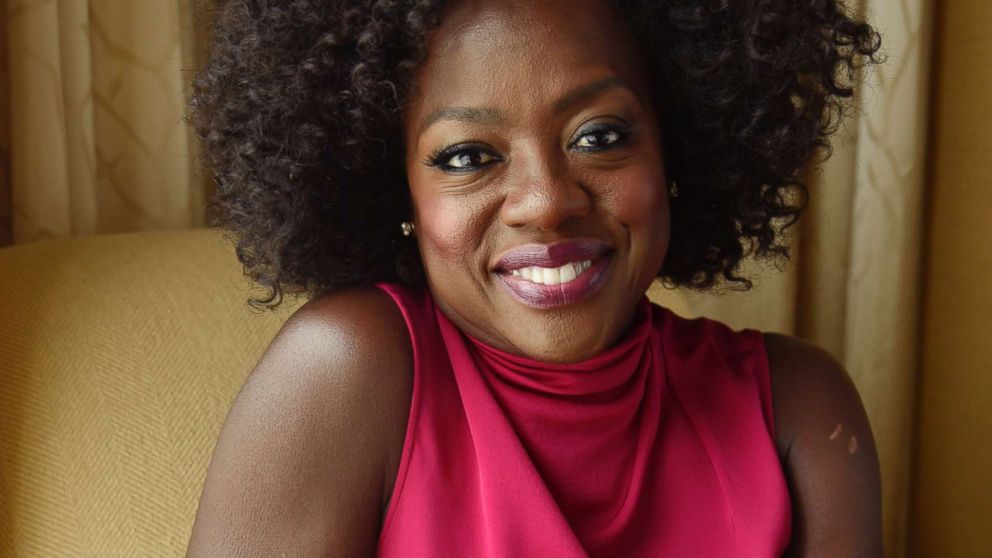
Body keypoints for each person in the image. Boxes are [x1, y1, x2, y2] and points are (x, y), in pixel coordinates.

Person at [185, 0, 884, 556]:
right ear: (399, 193)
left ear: (676, 153)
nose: (546, 201)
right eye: (465, 157)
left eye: (599, 137)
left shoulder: (796, 410)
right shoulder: (347, 372)